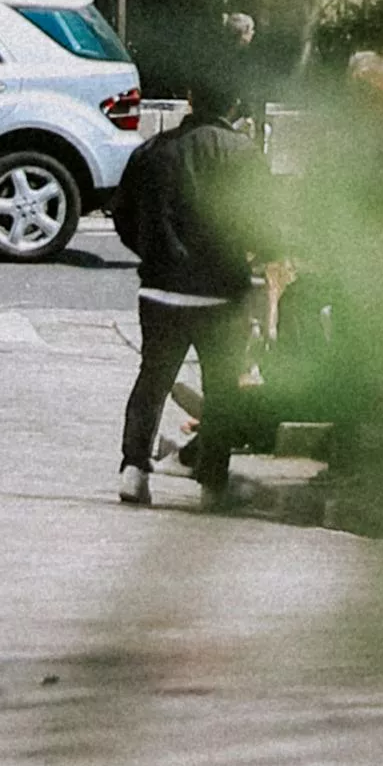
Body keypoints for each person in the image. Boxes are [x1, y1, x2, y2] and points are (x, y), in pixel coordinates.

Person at [110, 106, 259, 504]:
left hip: (160, 288)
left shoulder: (153, 151)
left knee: (152, 380)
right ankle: (212, 482)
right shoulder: (243, 152)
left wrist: (151, 251)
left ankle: (135, 469)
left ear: (191, 100)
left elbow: (123, 214)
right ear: (234, 106)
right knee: (222, 387)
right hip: (221, 292)